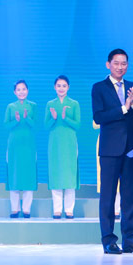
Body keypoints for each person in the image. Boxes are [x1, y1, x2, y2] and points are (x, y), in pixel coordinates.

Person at [91, 48, 133, 255]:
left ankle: (129, 240)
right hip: (109, 150)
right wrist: (124, 107)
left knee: (129, 196)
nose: (120, 67)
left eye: (124, 63)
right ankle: (108, 240)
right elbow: (99, 117)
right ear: (108, 65)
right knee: (108, 196)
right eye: (116, 63)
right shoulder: (99, 88)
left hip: (130, 149)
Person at [45, 75, 81, 219]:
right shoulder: (50, 104)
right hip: (55, 143)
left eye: (64, 86)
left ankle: (69, 209)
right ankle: (57, 209)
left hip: (69, 143)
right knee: (56, 174)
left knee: (69, 175)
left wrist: (66, 118)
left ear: (68, 87)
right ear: (55, 87)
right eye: (59, 86)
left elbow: (77, 125)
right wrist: (54, 118)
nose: (61, 88)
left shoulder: (74, 104)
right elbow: (46, 125)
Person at [4, 80, 37, 218]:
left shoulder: (33, 106)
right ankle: (15, 209)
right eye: (18, 89)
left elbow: (34, 124)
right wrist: (16, 120)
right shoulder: (11, 107)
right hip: (14, 145)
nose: (21, 92)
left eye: (23, 89)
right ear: (14, 92)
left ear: (27, 90)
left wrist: (26, 117)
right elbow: (6, 125)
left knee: (28, 175)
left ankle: (27, 209)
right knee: (15, 175)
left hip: (28, 144)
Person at [93, 120, 121, 220]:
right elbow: (95, 124)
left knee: (119, 179)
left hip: (120, 140)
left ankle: (117, 209)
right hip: (105, 142)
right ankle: (108, 210)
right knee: (106, 179)